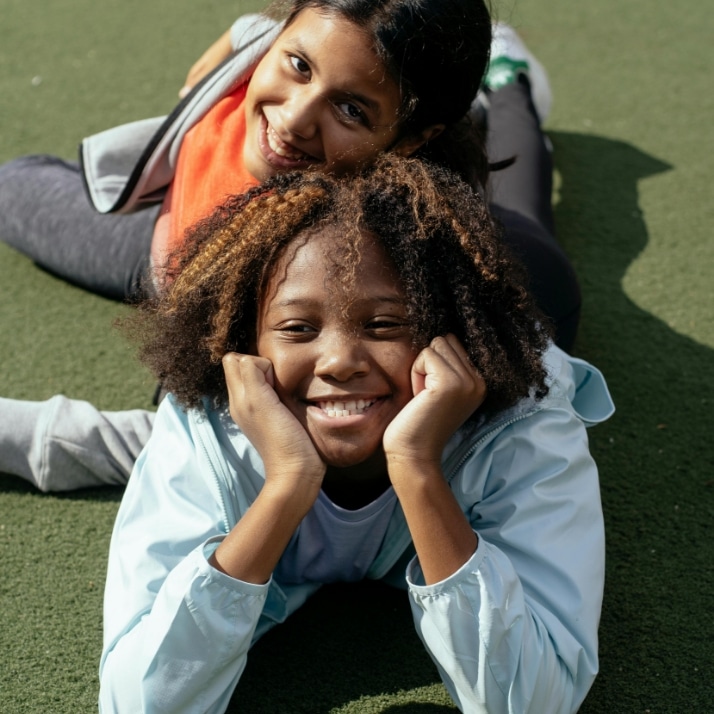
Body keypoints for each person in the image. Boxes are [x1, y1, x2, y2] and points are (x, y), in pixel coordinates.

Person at [99, 155, 613, 713]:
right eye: (298, 328)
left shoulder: (524, 420)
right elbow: (137, 702)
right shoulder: (208, 423)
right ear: (250, 344)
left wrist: (418, 468)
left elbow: (539, 701)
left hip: (534, 282)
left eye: (385, 325)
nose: (340, 361)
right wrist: (287, 485)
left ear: (452, 335)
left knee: (520, 214)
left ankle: (510, 87)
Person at [0, 1, 580, 491]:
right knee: (12, 186)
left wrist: (25, 435)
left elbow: (210, 450)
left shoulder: (362, 267)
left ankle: (508, 86)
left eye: (351, 108)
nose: (294, 120)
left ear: (408, 141)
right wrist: (238, 39)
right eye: (299, 64)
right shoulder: (273, 43)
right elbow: (259, 33)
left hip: (521, 265)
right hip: (170, 246)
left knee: (518, 207)